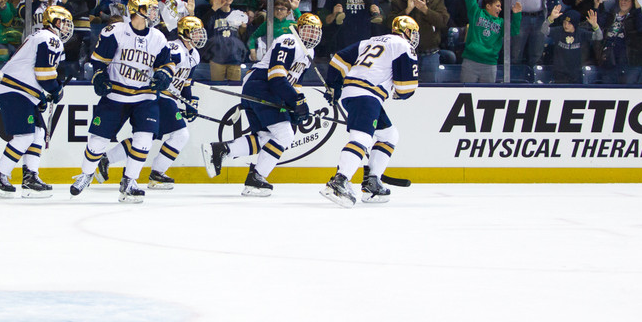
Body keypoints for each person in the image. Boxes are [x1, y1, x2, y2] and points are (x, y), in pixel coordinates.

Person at [201, 13, 322, 196]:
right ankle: (257, 177)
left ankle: (220, 150)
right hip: (262, 84)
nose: (311, 35)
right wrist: (296, 101)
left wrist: (298, 102)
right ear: (299, 28)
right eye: (308, 30)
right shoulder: (289, 40)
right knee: (285, 134)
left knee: (267, 136)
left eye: (315, 32)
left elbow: (294, 83)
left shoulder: (309, 52)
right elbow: (277, 76)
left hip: (269, 88)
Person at [71, 0, 173, 202]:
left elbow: (167, 65)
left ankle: (129, 182)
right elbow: (99, 62)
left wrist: (164, 74)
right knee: (98, 142)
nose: (155, 13)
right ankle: (87, 173)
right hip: (116, 94)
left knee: (144, 139)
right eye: (150, 9)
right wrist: (99, 76)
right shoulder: (115, 32)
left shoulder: (158, 38)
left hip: (144, 96)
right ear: (137, 10)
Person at [94, 15, 208, 189]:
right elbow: (160, 66)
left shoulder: (195, 55)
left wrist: (189, 102)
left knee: (146, 137)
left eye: (200, 33)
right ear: (185, 33)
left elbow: (185, 82)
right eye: (196, 32)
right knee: (180, 135)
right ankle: (156, 173)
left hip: (170, 98)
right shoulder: (175, 48)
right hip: (160, 95)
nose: (200, 36)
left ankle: (107, 159)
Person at [320, 14, 419, 207]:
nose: (414, 37)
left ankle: (372, 182)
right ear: (406, 32)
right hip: (367, 94)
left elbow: (338, 60)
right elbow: (406, 88)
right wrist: (400, 94)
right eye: (413, 33)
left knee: (389, 135)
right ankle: (339, 182)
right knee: (362, 138)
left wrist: (333, 86)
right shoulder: (403, 45)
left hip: (356, 92)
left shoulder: (369, 41)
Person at [0, 5, 73, 198]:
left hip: (19, 89)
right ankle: (0, 177)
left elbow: (33, 70)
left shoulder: (38, 36)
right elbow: (44, 74)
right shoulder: (50, 39)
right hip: (16, 90)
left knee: (38, 132)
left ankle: (30, 178)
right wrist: (55, 90)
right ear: (56, 22)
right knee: (24, 137)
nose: (68, 28)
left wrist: (41, 95)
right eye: (66, 23)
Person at [461, 0, 522, 83]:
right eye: (497, 6)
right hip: (471, 61)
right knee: (467, 93)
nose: (500, 9)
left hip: (490, 65)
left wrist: (517, 15)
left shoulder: (501, 22)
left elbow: (513, 31)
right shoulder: (476, 13)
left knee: (485, 98)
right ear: (488, 6)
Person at [388, 0, 450, 82]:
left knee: (430, 90)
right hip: (405, 54)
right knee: (405, 87)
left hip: (430, 53)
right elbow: (390, 24)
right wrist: (407, 10)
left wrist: (426, 10)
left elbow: (443, 21)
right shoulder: (398, 1)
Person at [597, 0, 642, 84]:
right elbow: (599, 24)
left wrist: (638, 9)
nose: (623, 2)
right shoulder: (611, 14)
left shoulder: (636, 16)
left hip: (629, 62)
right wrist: (597, 7)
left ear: (633, 2)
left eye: (626, 0)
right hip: (610, 61)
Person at [542, 5, 602, 84]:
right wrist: (550, 19)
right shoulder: (558, 31)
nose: (566, 26)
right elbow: (544, 30)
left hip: (576, 72)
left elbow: (599, 37)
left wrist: (595, 26)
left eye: (569, 24)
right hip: (560, 72)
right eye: (564, 23)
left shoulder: (581, 33)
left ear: (575, 24)